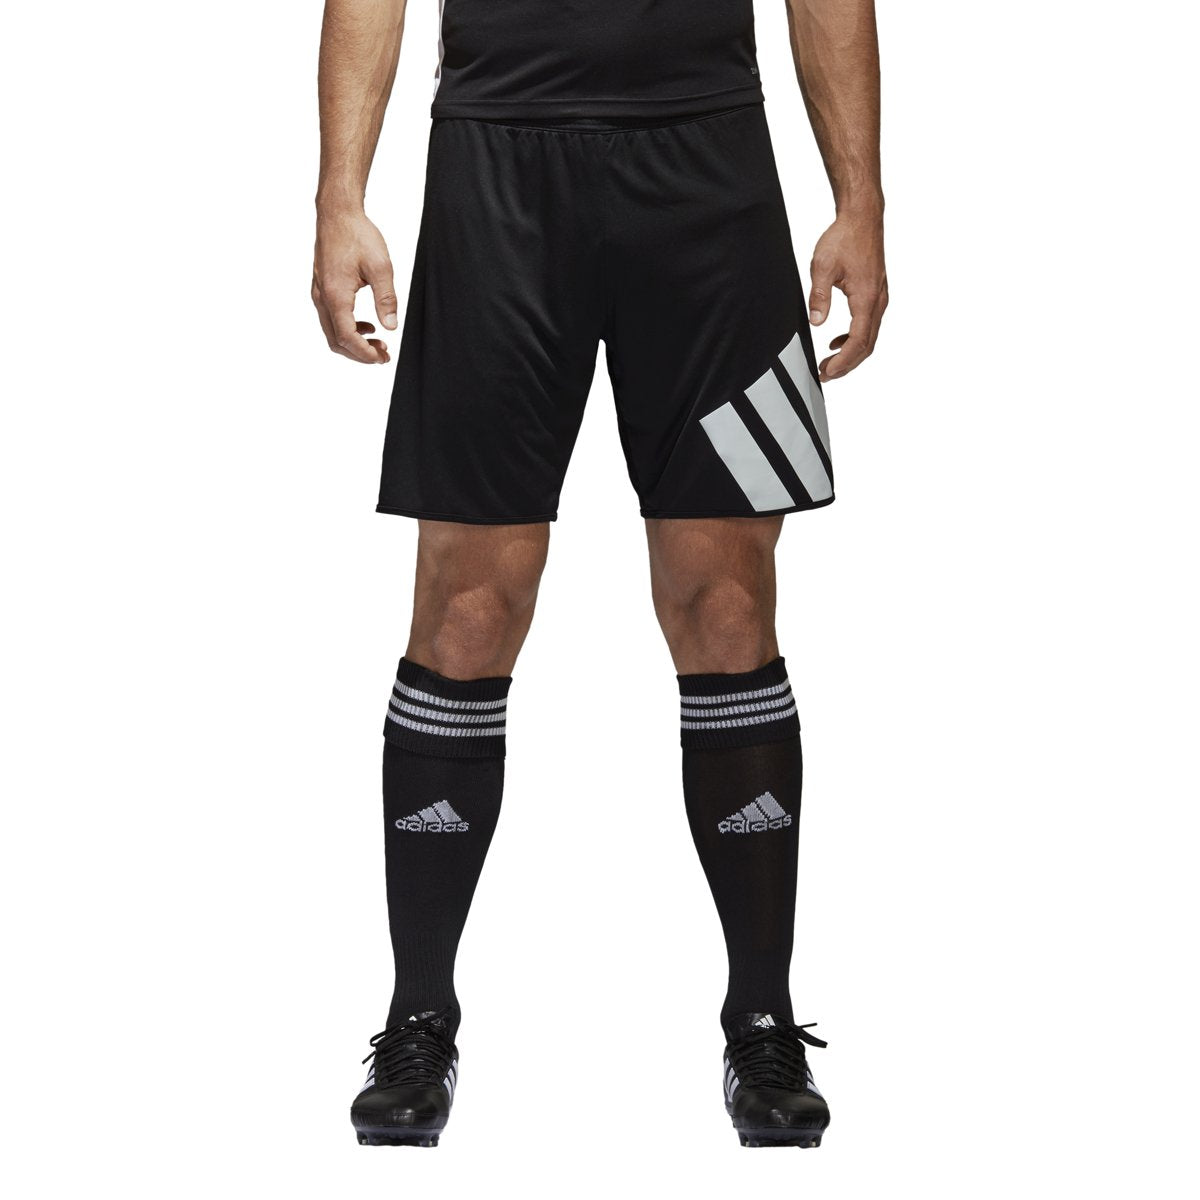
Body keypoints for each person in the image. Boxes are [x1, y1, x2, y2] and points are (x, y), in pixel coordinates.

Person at [313, 0, 886, 1150]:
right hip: (497, 163)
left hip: (709, 166)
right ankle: (418, 1018)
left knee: (726, 600)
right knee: (468, 605)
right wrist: (340, 195)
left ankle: (762, 1019)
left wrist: (860, 203)